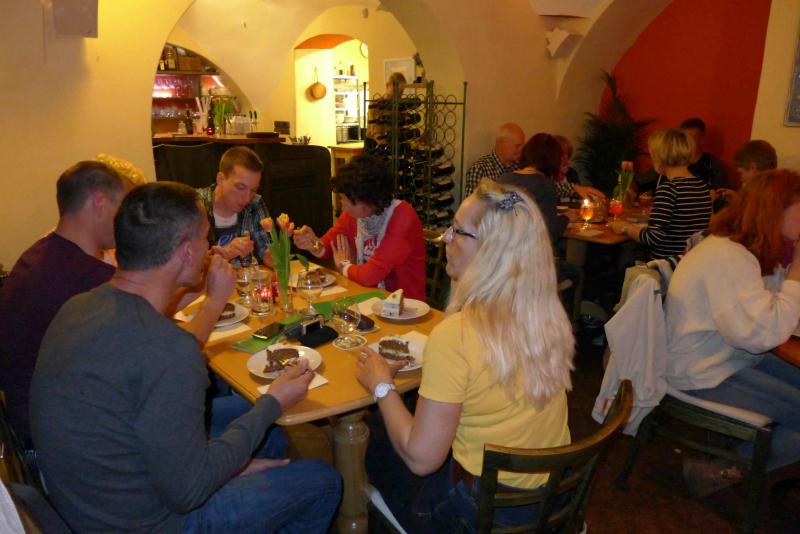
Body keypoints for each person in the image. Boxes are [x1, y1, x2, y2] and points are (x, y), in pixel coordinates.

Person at [29, 182, 342, 532]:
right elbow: (189, 492)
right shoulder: (169, 348)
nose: (210, 247)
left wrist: (232, 461)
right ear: (187, 253)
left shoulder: (78, 306)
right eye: (205, 238)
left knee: (266, 432)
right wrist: (272, 403)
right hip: (150, 522)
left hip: (87, 502)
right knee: (323, 480)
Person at [357, 180, 574, 532]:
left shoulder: (457, 335)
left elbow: (422, 461)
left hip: (483, 514)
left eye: (457, 231)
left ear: (491, 252)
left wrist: (381, 384)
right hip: (550, 498)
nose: (445, 238)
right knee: (393, 424)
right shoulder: (545, 313)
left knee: (377, 446)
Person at [0, 161, 237, 445]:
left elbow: (147, 318)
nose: (130, 222)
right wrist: (213, 301)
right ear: (99, 203)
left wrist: (190, 280)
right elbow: (171, 354)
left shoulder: (44, 254)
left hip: (52, 421)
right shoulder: (87, 281)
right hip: (76, 440)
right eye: (124, 208)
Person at [665, 170, 800, 493]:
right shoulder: (729, 257)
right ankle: (719, 471)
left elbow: (766, 314)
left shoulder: (742, 248)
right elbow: (760, 335)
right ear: (776, 210)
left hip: (728, 356)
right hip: (704, 371)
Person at [293, 154, 426, 300]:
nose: (342, 207)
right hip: (369, 297)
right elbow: (330, 243)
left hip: (404, 305)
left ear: (366, 199)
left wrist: (345, 266)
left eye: (344, 200)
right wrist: (313, 244)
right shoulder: (355, 214)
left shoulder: (402, 217)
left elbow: (370, 275)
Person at [609, 128, 712, 259]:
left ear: (660, 157)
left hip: (664, 264)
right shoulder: (701, 185)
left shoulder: (669, 189)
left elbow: (653, 237)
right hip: (688, 262)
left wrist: (625, 227)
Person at [197, 145, 272, 264]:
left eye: (253, 190)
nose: (247, 198)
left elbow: (267, 251)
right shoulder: (194, 205)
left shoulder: (255, 203)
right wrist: (226, 253)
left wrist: (281, 250)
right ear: (221, 179)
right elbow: (184, 266)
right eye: (240, 187)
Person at [495, 133, 572, 245]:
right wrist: (567, 217)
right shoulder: (545, 185)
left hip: (500, 247)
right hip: (528, 250)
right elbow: (549, 233)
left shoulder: (504, 178)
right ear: (553, 161)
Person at [463, 123, 525, 196]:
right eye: (517, 146)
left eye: (522, 146)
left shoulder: (519, 168)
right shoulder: (480, 169)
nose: (521, 150)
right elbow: (471, 202)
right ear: (501, 144)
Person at [680, 117, 730, 190]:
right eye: (683, 137)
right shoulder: (674, 162)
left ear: (702, 139)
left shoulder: (713, 164)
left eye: (691, 136)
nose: (686, 140)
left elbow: (722, 191)